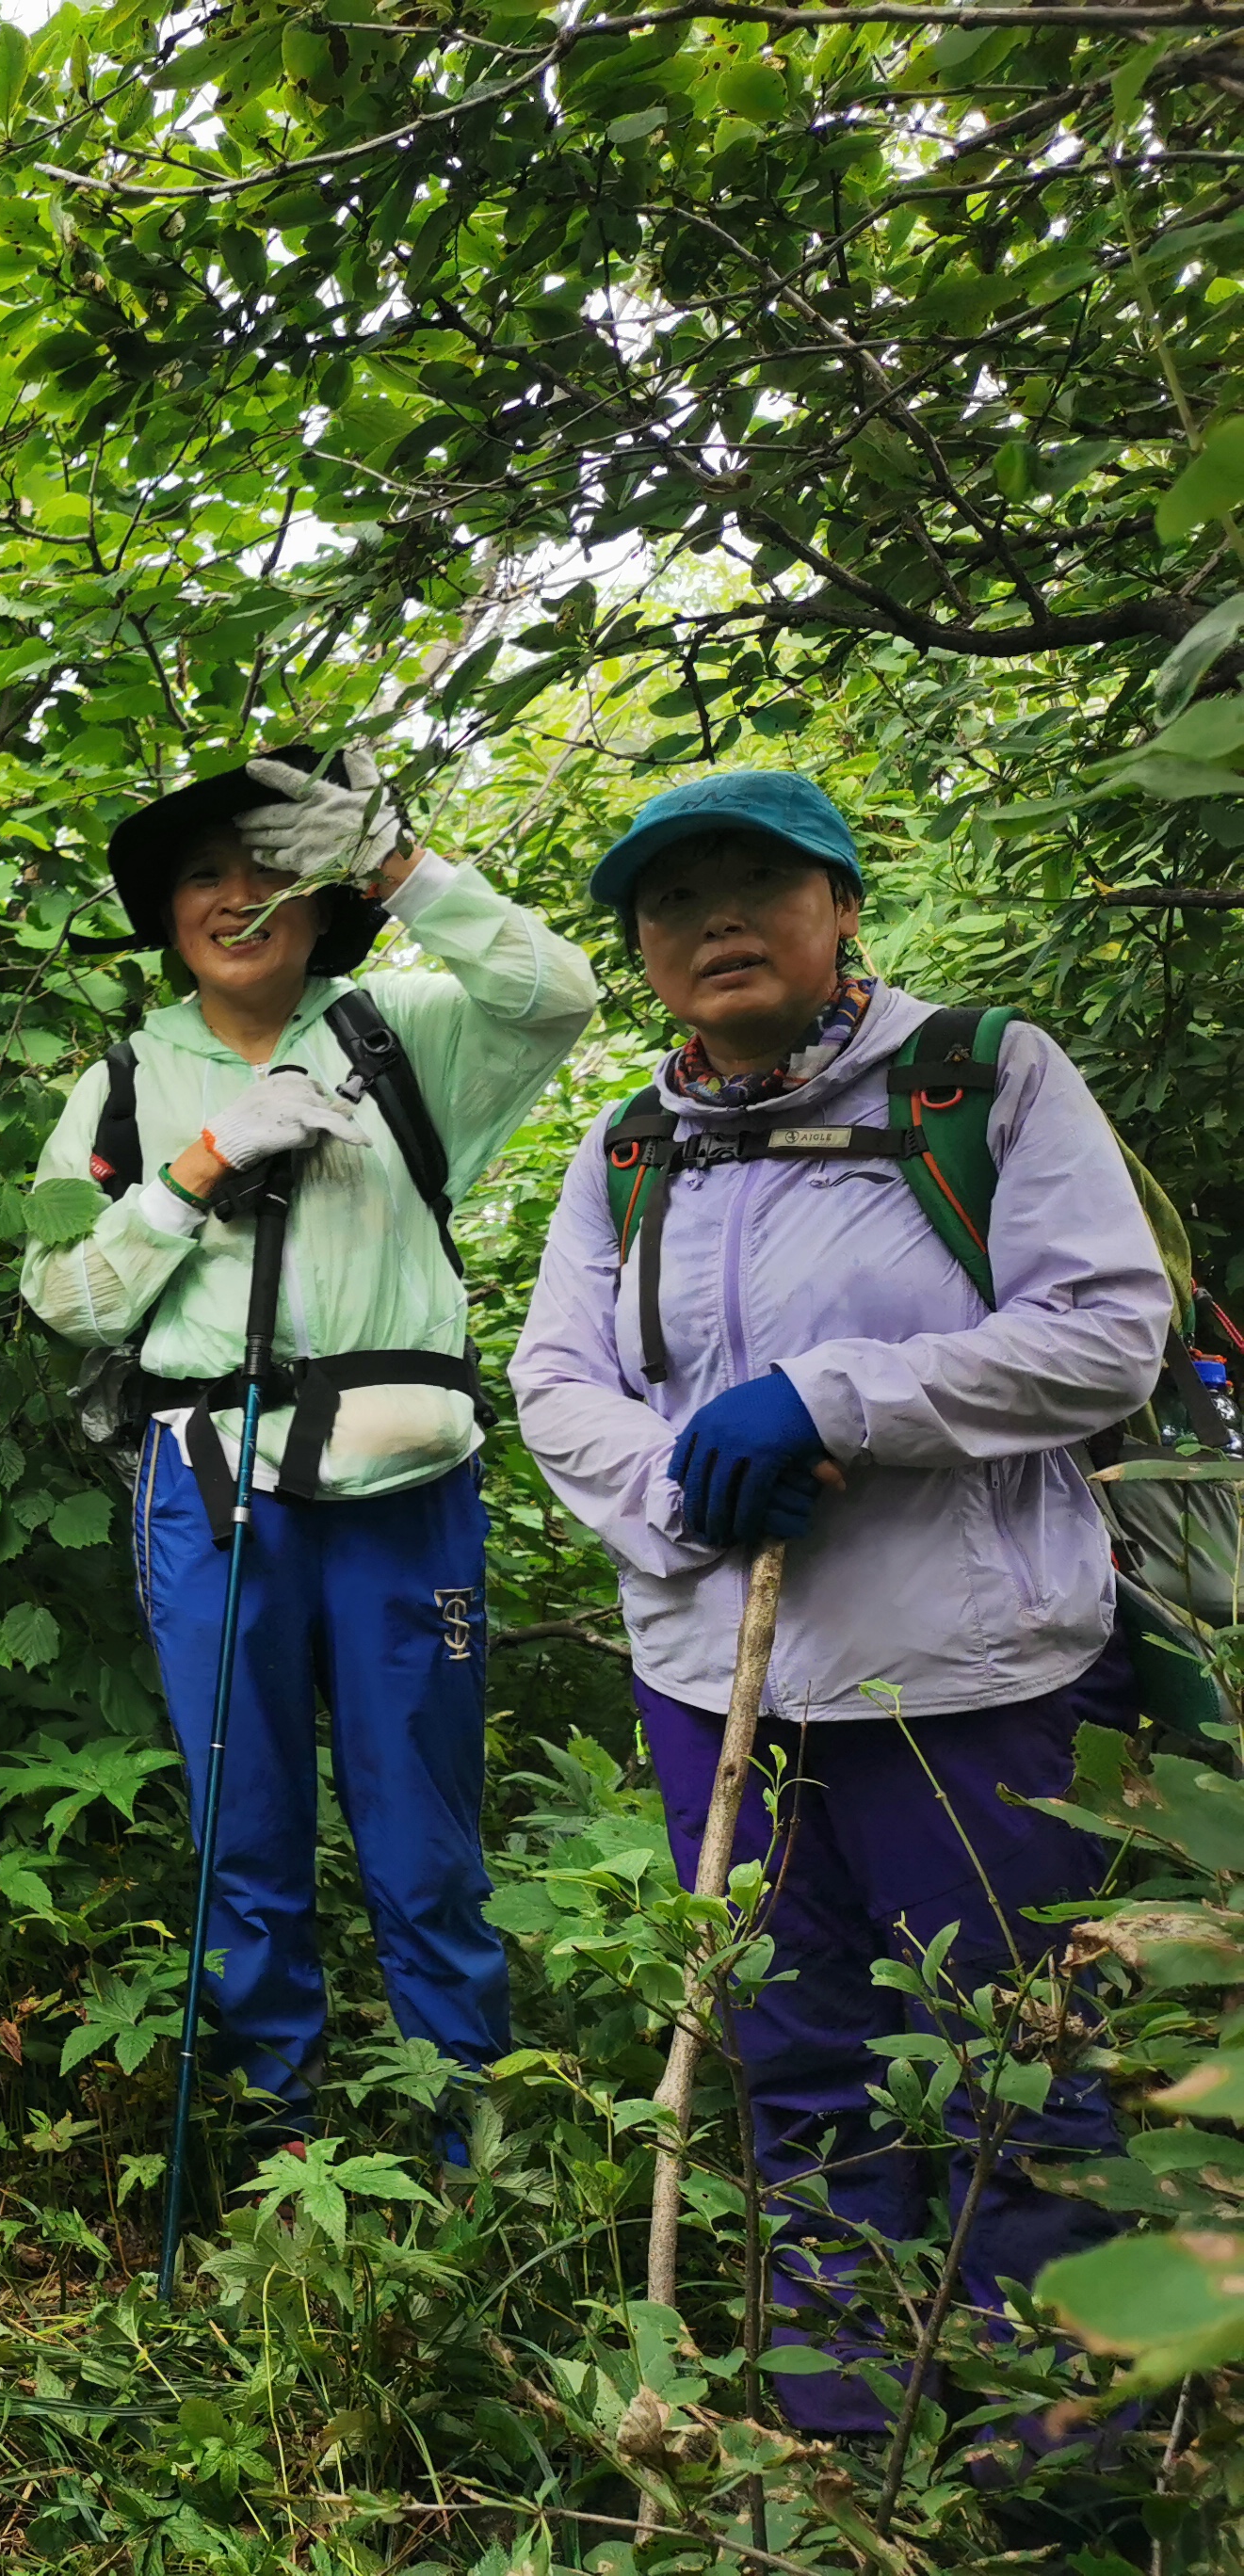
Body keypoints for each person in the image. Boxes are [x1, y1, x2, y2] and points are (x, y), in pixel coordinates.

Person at [510, 770, 1165, 2431]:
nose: (716, 917)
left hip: (975, 1679)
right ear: (646, 952)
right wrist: (682, 1485)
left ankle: (1044, 2458)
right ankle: (839, 2440)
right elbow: (554, 1380)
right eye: (675, 899)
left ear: (844, 902)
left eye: (758, 879)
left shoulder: (981, 1079)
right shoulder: (632, 1142)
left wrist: (833, 1400)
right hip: (715, 1691)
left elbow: (1104, 1333)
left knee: (1024, 2070)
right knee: (793, 2070)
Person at [20, 747, 598, 2148]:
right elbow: (60, 1290)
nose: (239, 898)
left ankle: (465, 2147)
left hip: (407, 1481)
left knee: (426, 1834)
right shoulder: (120, 1081)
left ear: (320, 894)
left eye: (270, 866)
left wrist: (398, 863)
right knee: (248, 1833)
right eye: (205, 876)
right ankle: (283, 2150)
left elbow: (559, 995)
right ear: (164, 917)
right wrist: (202, 1169)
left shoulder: (402, 1033)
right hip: (211, 1488)